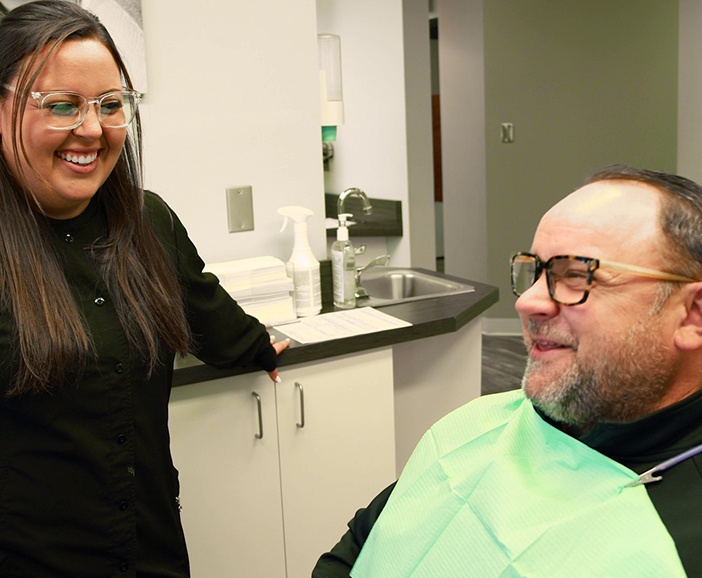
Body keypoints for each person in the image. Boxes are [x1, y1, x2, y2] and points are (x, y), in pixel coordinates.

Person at [0, 1, 289, 576]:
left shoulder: (145, 222)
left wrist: (257, 346)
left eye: (111, 105)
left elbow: (199, 302)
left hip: (150, 547)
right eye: (61, 105)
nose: (91, 129)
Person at [313, 164, 702, 577]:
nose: (528, 301)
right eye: (535, 270)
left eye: (575, 274)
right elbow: (366, 540)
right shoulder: (486, 424)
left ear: (691, 315)